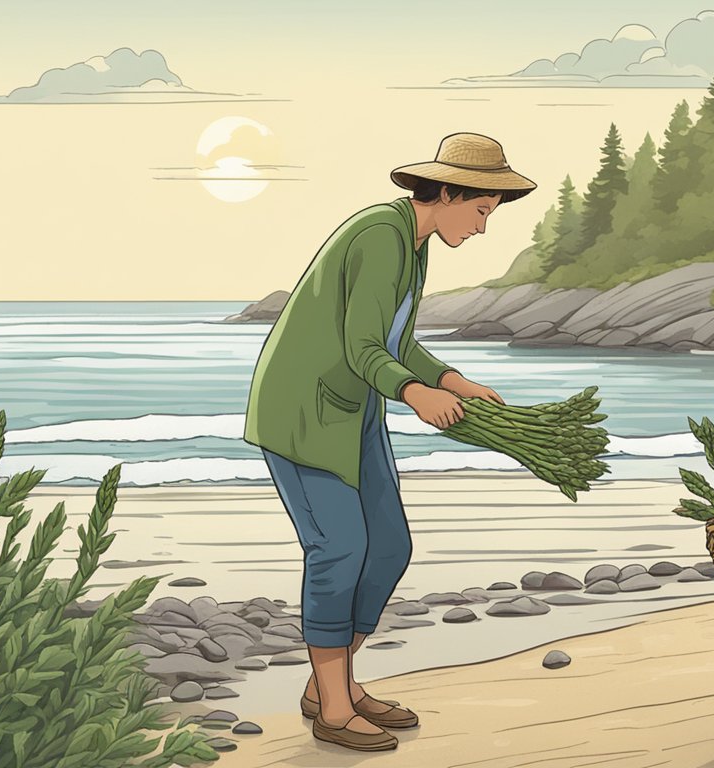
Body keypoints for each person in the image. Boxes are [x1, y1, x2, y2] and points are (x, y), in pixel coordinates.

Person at [242, 132, 536, 751]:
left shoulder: (416, 243)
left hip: (356, 410)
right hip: (304, 411)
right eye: (481, 210)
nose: (484, 227)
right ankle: (334, 707)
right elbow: (361, 347)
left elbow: (393, 340)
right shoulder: (381, 235)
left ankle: (332, 685)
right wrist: (416, 394)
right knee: (340, 550)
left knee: (390, 548)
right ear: (450, 192)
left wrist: (452, 380)